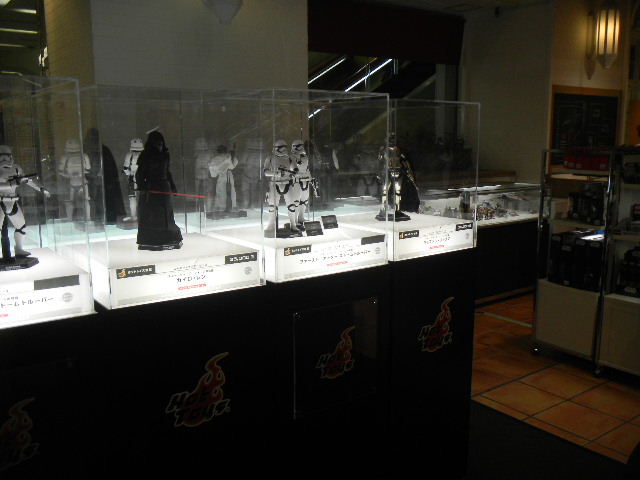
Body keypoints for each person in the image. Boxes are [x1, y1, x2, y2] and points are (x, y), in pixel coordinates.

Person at [0, 145, 50, 265]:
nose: (6, 160)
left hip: (12, 202)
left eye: (8, 157)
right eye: (3, 158)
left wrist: (40, 188)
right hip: (1, 201)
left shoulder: (16, 168)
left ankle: (19, 249)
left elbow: (27, 180)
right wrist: (12, 184)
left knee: (21, 227)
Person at [135, 131, 183, 250]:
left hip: (163, 187)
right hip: (151, 188)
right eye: (157, 144)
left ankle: (167, 238)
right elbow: (139, 174)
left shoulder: (165, 155)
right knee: (152, 215)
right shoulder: (146, 155)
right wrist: (142, 187)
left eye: (161, 144)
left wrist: (173, 187)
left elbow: (167, 172)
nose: (159, 146)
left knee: (166, 214)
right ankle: (152, 240)